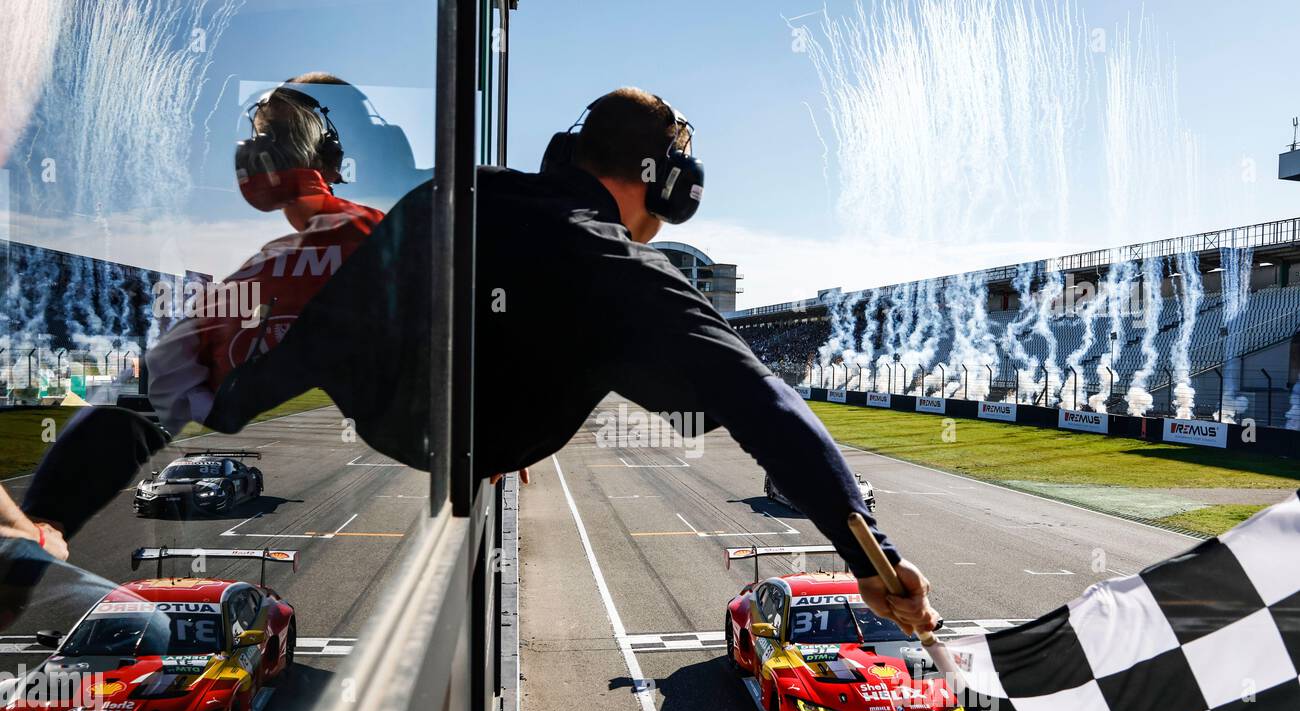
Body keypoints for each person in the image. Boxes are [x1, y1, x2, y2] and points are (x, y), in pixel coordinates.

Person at [194, 88, 942, 632]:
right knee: (686, 375)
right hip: (472, 436)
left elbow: (325, 334)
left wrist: (225, 404)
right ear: (669, 186)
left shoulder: (453, 194)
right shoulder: (619, 267)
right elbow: (765, 402)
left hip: (396, 419)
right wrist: (872, 557)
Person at [20, 74, 385, 538]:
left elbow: (153, 390)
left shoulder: (286, 264)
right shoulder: (326, 249)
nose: (257, 147)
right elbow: (159, 383)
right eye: (262, 134)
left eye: (274, 134)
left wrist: (47, 516)